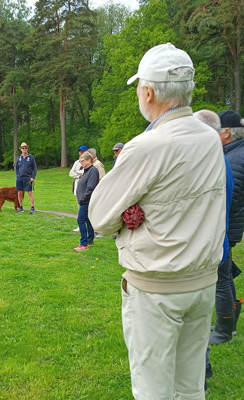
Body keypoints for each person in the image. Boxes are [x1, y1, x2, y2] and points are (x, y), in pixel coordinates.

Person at [89, 43, 226, 399]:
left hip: (157, 288)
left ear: (148, 92)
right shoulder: (209, 138)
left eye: (138, 87)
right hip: (202, 283)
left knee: (153, 391)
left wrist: (128, 214)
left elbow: (100, 217)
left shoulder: (146, 146)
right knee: (190, 387)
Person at [194, 109, 234, 391]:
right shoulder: (221, 160)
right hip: (215, 245)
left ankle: (199, 371)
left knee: (193, 316)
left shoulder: (209, 164)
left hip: (203, 252)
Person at [208, 109, 244, 344]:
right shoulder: (233, 153)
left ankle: (223, 330)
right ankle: (228, 323)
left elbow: (230, 197)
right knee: (226, 275)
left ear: (227, 132)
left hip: (225, 227)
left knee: (220, 278)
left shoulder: (234, 157)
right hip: (229, 226)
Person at [74, 151, 99, 251]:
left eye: (83, 161)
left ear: (89, 160)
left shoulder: (93, 171)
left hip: (87, 201)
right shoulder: (86, 170)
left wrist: (83, 198)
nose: (81, 163)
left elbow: (91, 187)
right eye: (80, 161)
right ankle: (90, 240)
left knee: (80, 220)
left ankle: (83, 244)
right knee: (88, 221)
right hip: (84, 200)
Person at [69, 145, 87, 232]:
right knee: (79, 206)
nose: (81, 153)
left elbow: (86, 173)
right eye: (80, 152)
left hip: (85, 187)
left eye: (83, 152)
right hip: (77, 186)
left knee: (86, 206)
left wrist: (79, 173)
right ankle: (80, 225)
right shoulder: (77, 162)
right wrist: (78, 175)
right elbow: (71, 173)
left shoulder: (88, 162)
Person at [15, 142, 37, 214]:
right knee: (20, 192)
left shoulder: (31, 157)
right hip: (20, 178)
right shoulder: (19, 158)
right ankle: (21, 207)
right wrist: (17, 175)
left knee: (30, 192)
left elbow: (35, 168)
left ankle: (32, 208)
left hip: (28, 178)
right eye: (23, 148)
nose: (24, 149)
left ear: (27, 149)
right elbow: (17, 168)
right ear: (21, 149)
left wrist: (32, 177)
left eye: (26, 148)